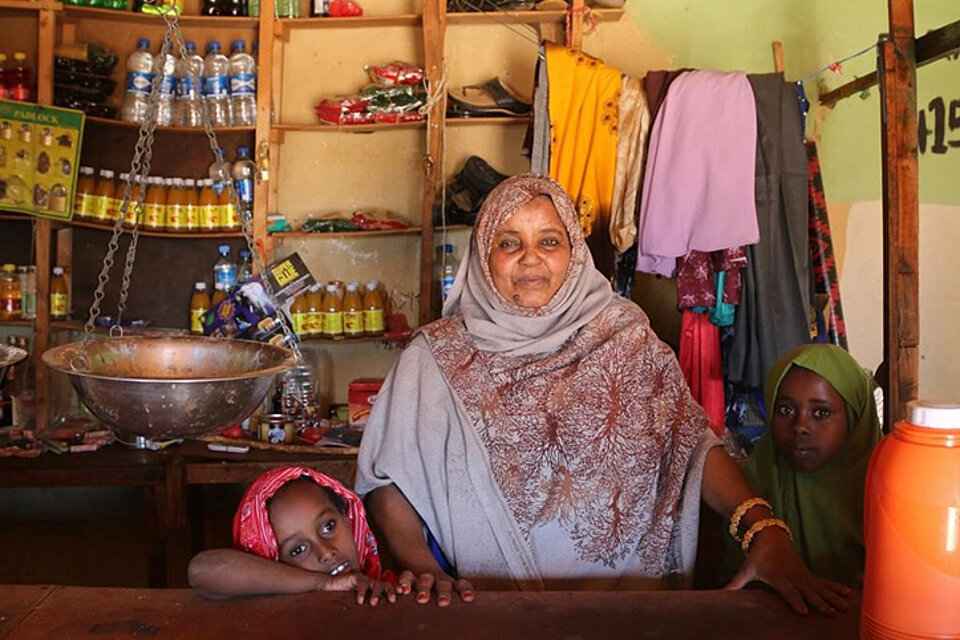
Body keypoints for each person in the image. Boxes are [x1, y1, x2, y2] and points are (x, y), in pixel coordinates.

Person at [356, 174, 854, 614]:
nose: (530, 258)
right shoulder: (436, 357)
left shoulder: (625, 335)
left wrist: (763, 527)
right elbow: (387, 478)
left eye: (549, 240)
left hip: (630, 606)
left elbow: (690, 444)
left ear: (574, 253)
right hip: (490, 606)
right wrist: (422, 566)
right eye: (509, 243)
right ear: (484, 257)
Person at [725, 344, 882, 586]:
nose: (800, 426)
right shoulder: (744, 492)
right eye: (786, 409)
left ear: (855, 418)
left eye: (821, 413)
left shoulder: (893, 497)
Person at [188, 466, 397, 605]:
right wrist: (322, 583)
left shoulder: (382, 587)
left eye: (328, 526)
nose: (326, 552)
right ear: (271, 561)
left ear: (348, 518)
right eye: (298, 550)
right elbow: (203, 569)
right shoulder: (276, 609)